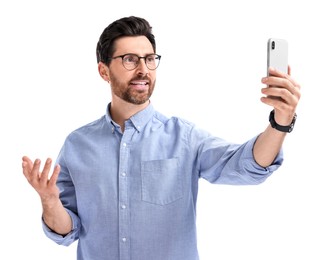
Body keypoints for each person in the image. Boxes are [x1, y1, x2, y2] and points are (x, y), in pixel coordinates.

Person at [22, 16, 301, 260]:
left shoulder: (185, 138)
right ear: (103, 70)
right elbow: (67, 231)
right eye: (129, 59)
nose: (143, 68)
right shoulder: (77, 145)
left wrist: (281, 121)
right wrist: (49, 201)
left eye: (149, 59)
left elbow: (247, 166)